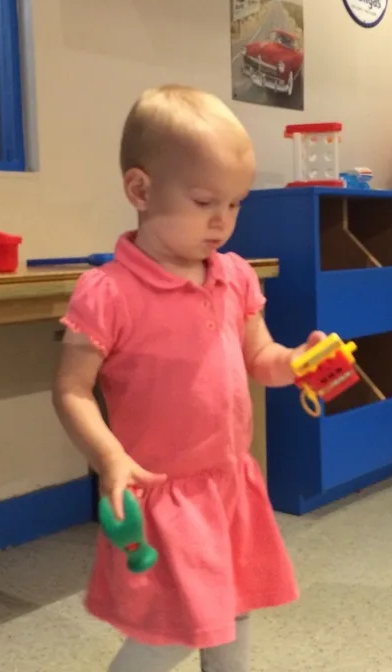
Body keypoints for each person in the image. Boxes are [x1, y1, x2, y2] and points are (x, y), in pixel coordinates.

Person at [52, 85, 325, 671]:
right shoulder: (108, 293)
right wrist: (109, 458)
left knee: (235, 607)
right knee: (168, 632)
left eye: (236, 204)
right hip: (162, 494)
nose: (222, 222)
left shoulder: (234, 277)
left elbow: (261, 358)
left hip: (229, 484)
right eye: (205, 202)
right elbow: (71, 390)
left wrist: (298, 364)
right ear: (140, 190)